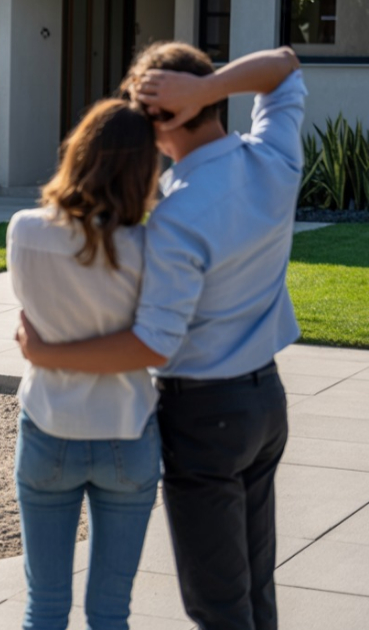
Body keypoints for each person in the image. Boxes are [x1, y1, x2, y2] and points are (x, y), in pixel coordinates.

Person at [16, 43, 305, 630]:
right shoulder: (274, 157)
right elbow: (284, 66)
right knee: (255, 587)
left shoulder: (176, 217)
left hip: (204, 417)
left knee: (218, 604)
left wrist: (46, 353)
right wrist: (206, 89)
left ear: (161, 119)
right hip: (266, 404)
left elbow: (152, 344)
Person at [7, 98, 162, 630]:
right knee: (110, 614)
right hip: (127, 430)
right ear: (142, 170)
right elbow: (153, 341)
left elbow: (30, 321)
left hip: (48, 425)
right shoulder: (149, 248)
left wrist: (47, 351)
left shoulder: (23, 230)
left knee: (43, 608)